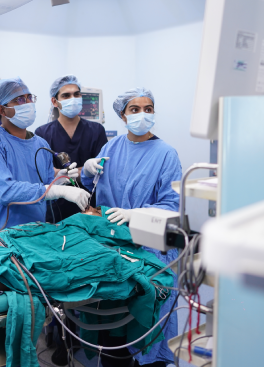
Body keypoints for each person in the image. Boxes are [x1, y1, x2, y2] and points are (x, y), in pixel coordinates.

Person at [81, 87, 182, 367]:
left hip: (149, 247)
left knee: (149, 319)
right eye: (134, 110)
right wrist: (86, 170)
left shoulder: (166, 153)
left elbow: (171, 205)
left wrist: (133, 214)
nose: (142, 115)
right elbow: (92, 185)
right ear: (122, 116)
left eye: (148, 109)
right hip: (113, 245)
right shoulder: (110, 148)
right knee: (115, 323)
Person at [0, 77, 91, 234]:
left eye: (30, 97)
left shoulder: (41, 144)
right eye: (20, 100)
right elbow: (5, 192)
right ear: (2, 110)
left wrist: (59, 181)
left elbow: (44, 192)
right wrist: (57, 191)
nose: (28, 103)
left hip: (32, 232)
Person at [35, 75, 108, 224]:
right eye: (66, 95)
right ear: (55, 101)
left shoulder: (96, 130)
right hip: (55, 207)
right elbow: (43, 174)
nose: (73, 98)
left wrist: (62, 172)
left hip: (89, 207)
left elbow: (101, 170)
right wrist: (82, 172)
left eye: (76, 94)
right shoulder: (42, 133)